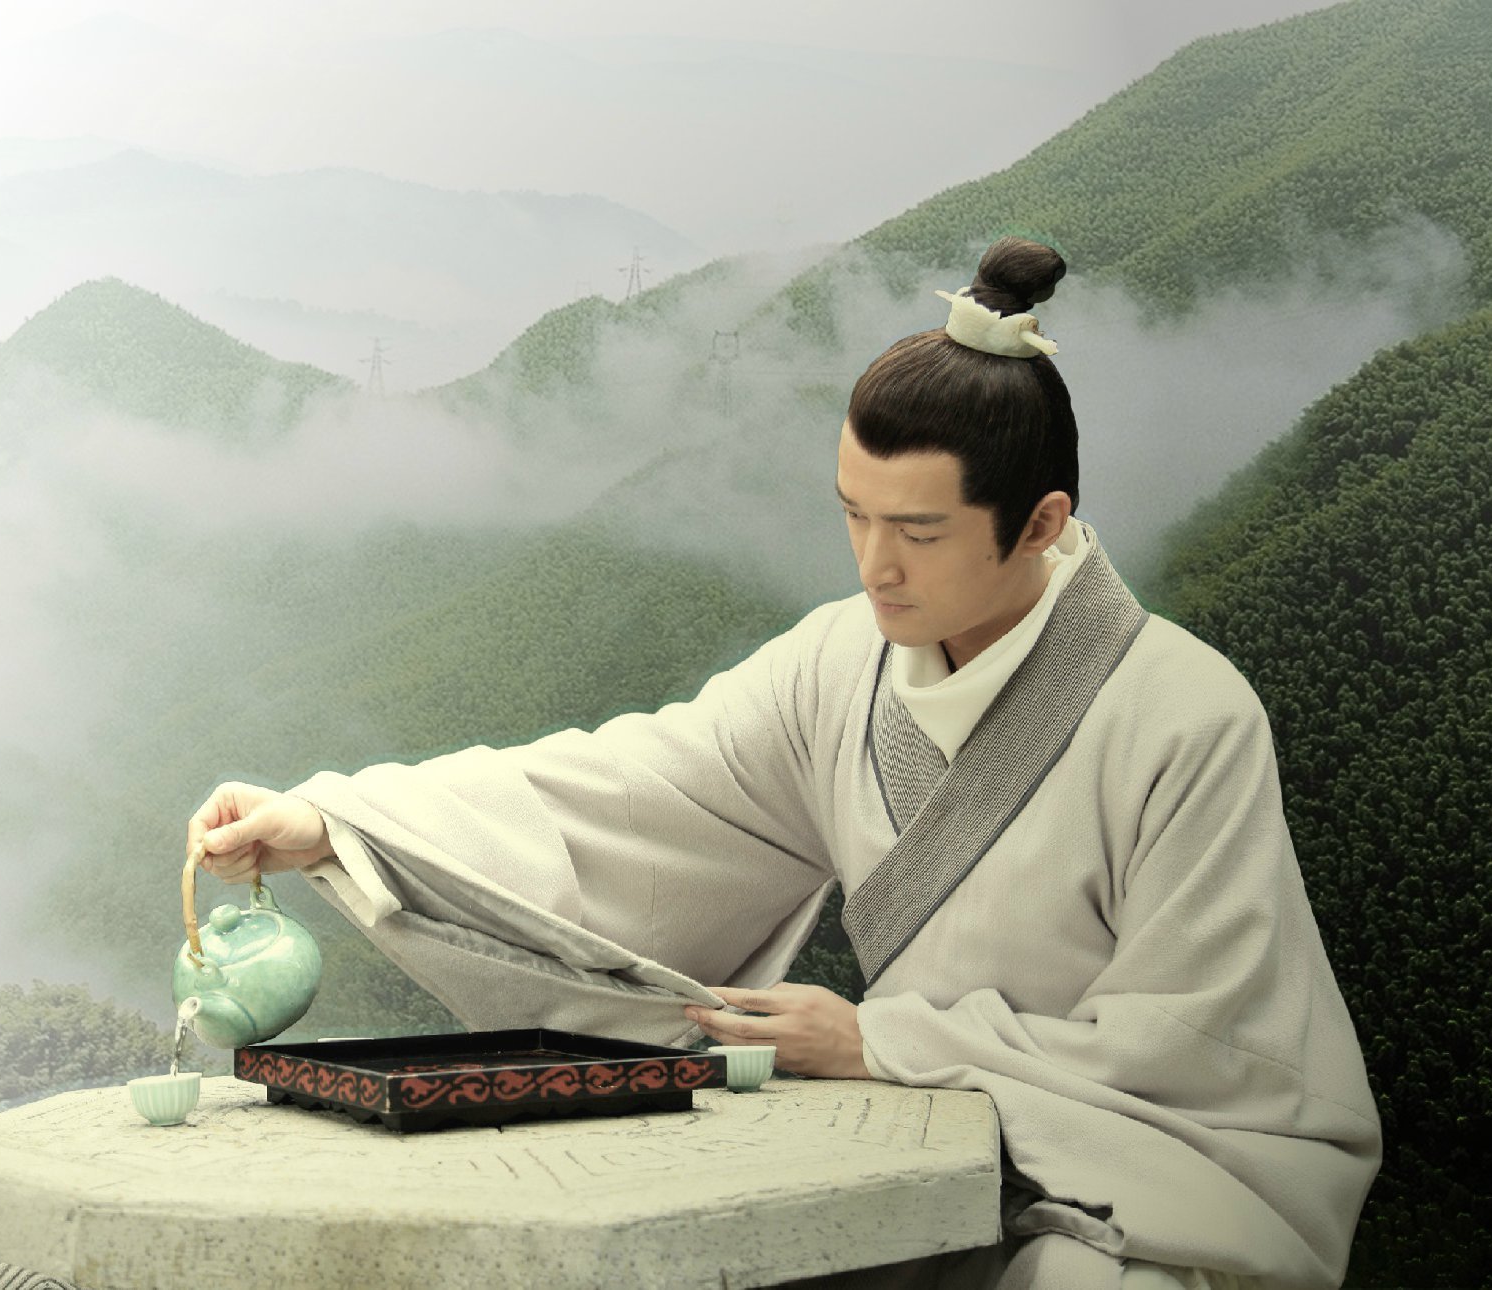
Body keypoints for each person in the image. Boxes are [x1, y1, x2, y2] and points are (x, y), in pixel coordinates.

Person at [185, 237, 1381, 1289]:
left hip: (1136, 1177)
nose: (873, 565)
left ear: (1040, 523)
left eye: (917, 532)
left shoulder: (1182, 716)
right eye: (853, 514)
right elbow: (632, 793)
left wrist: (882, 1044)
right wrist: (337, 824)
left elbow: (1200, 1049)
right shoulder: (836, 664)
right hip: (920, 1139)